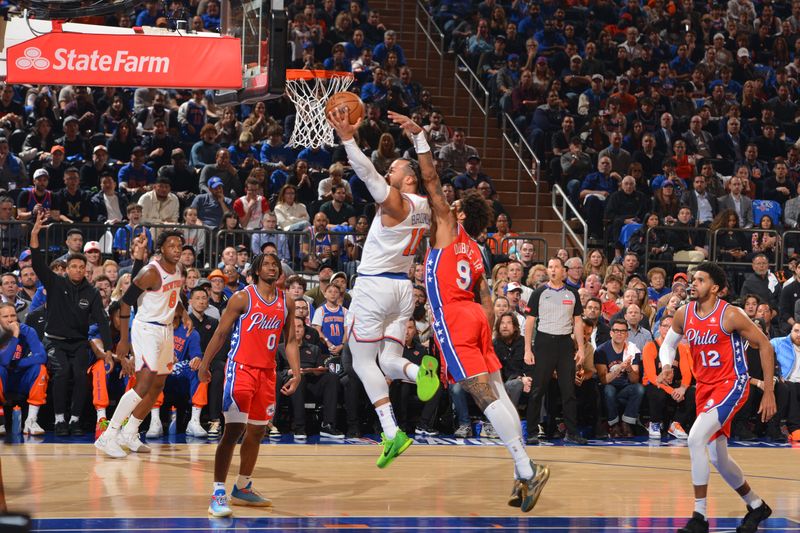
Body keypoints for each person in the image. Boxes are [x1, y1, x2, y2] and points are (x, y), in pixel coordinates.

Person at [389, 109, 548, 513]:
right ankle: (521, 469)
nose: (446, 205)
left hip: (456, 318)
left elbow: (431, 181)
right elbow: (488, 298)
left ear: (459, 213)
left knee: (481, 395)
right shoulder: (476, 250)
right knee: (494, 391)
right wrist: (489, 330)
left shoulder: (447, 226)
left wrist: (419, 140)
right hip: (478, 318)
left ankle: (527, 468)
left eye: (453, 204)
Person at [327, 107, 440, 469]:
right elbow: (431, 173)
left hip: (375, 288)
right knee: (389, 361)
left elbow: (366, 172)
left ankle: (391, 432)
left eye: (395, 170)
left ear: (408, 180)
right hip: (403, 289)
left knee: (361, 361)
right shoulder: (426, 206)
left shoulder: (396, 201)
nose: (389, 170)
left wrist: (348, 138)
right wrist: (420, 138)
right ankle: (417, 372)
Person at [657, 262, 776, 533]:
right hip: (705, 387)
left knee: (695, 438)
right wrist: (666, 364)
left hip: (732, 384)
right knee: (717, 456)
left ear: (715, 288)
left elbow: (765, 345)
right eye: (692, 279)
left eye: (699, 280)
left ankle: (699, 516)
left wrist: (768, 391)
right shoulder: (684, 314)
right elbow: (668, 344)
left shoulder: (730, 315)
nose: (692, 283)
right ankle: (757, 506)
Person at [198, 253, 300, 517]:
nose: (272, 267)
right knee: (233, 430)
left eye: (275, 265)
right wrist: (205, 364)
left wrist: (297, 373)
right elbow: (220, 333)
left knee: (257, 432)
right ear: (255, 270)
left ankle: (242, 486)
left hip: (268, 374)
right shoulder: (242, 298)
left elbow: (289, 342)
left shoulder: (286, 301)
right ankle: (217, 491)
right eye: (266, 264)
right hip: (240, 369)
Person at [94, 229, 186, 458]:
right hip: (146, 329)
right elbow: (125, 303)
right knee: (143, 383)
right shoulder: (150, 272)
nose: (176, 249)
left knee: (158, 385)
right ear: (161, 249)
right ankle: (108, 436)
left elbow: (175, 294)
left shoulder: (178, 270)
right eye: (171, 245)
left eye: (179, 246)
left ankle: (130, 432)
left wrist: (184, 312)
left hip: (166, 329)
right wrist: (124, 340)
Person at [29, 211, 113, 437]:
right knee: (63, 372)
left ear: (86, 270)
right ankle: (59, 420)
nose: (77, 270)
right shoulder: (55, 283)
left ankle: (75, 419)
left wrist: (109, 350)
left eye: (80, 267)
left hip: (79, 342)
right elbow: (37, 263)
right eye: (73, 266)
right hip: (54, 341)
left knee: (79, 374)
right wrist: (35, 233)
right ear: (66, 269)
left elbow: (103, 322)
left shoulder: (92, 292)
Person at [523, 257, 587, 445]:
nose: (552, 270)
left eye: (556, 267)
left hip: (565, 343)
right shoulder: (539, 293)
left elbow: (577, 322)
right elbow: (530, 321)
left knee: (568, 391)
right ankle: (533, 432)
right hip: (544, 342)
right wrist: (528, 349)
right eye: (550, 267)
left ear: (563, 271)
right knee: (537, 390)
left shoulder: (572, 294)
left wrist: (581, 348)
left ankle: (572, 432)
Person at [0, 302, 48, 435]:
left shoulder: (27, 331)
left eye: (13, 315)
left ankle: (31, 421)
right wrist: (15, 336)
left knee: (40, 369)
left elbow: (41, 357)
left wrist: (15, 363)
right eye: (5, 316)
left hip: (20, 378)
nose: (10, 320)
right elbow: (3, 361)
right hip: (3, 379)